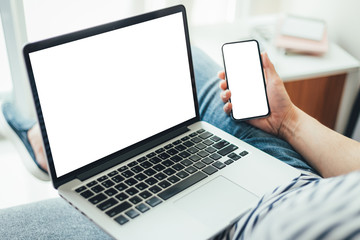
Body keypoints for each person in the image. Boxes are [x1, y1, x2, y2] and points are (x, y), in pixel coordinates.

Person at [0, 46, 359, 239]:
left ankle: (36, 132)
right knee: (186, 55)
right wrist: (288, 121)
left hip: (241, 227)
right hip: (292, 180)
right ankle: (49, 135)